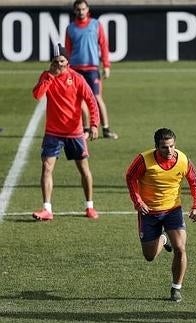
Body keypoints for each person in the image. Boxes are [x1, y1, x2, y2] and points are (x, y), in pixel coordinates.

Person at [125, 128, 196, 302]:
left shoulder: (183, 160)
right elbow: (130, 177)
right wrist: (138, 201)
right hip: (149, 212)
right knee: (150, 256)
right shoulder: (144, 160)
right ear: (156, 147)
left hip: (172, 211)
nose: (169, 151)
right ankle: (164, 239)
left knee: (181, 248)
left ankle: (176, 288)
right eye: (164, 147)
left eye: (172, 146)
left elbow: (195, 182)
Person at [32, 43, 100, 221]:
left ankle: (89, 206)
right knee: (47, 167)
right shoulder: (47, 76)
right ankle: (47, 209)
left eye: (62, 60)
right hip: (53, 132)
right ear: (51, 63)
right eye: (56, 61)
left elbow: (91, 100)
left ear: (67, 61)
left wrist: (94, 124)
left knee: (84, 169)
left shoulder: (77, 78)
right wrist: (49, 78)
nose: (59, 64)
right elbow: (38, 95)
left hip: (74, 133)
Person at [65, 0, 118, 140]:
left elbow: (104, 45)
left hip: (92, 68)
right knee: (79, 100)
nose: (81, 12)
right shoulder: (70, 28)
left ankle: (106, 129)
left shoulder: (95, 25)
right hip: (75, 69)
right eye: (78, 9)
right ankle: (86, 128)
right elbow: (68, 50)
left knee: (96, 98)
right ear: (74, 11)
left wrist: (106, 65)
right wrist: (66, 68)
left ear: (87, 9)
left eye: (83, 9)